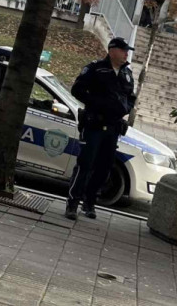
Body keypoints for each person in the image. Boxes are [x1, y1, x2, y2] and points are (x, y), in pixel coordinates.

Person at [66, 37, 136, 220]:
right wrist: (98, 104)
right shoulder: (95, 68)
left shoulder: (127, 73)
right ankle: (73, 203)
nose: (126, 54)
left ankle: (89, 202)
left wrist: (125, 108)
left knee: (104, 168)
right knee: (85, 164)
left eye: (127, 51)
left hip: (113, 127)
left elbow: (131, 97)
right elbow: (77, 90)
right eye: (123, 50)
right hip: (94, 124)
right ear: (112, 51)